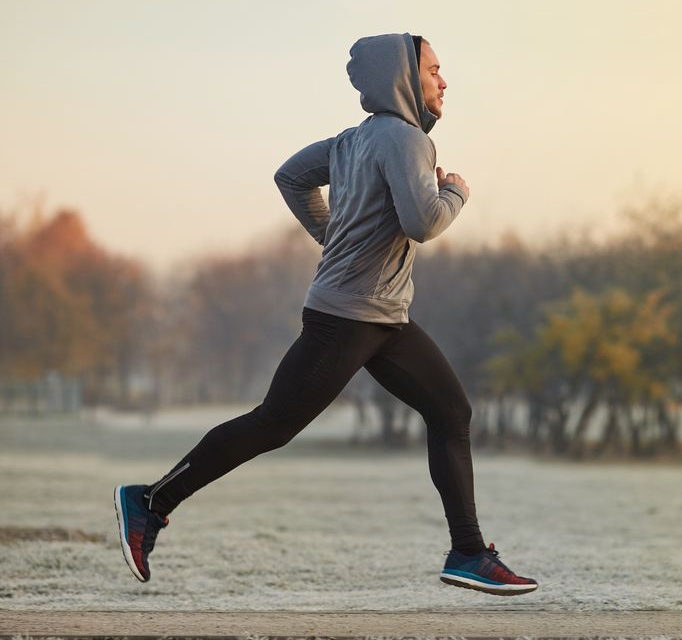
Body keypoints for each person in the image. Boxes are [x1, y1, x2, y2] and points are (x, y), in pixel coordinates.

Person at [113, 33, 538, 596]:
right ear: (405, 78)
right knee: (273, 423)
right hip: (348, 318)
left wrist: (330, 234)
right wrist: (456, 192)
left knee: (451, 412)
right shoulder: (408, 141)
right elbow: (423, 222)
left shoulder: (354, 140)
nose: (443, 81)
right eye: (434, 70)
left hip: (384, 318)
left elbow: (290, 175)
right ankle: (149, 502)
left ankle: (467, 552)